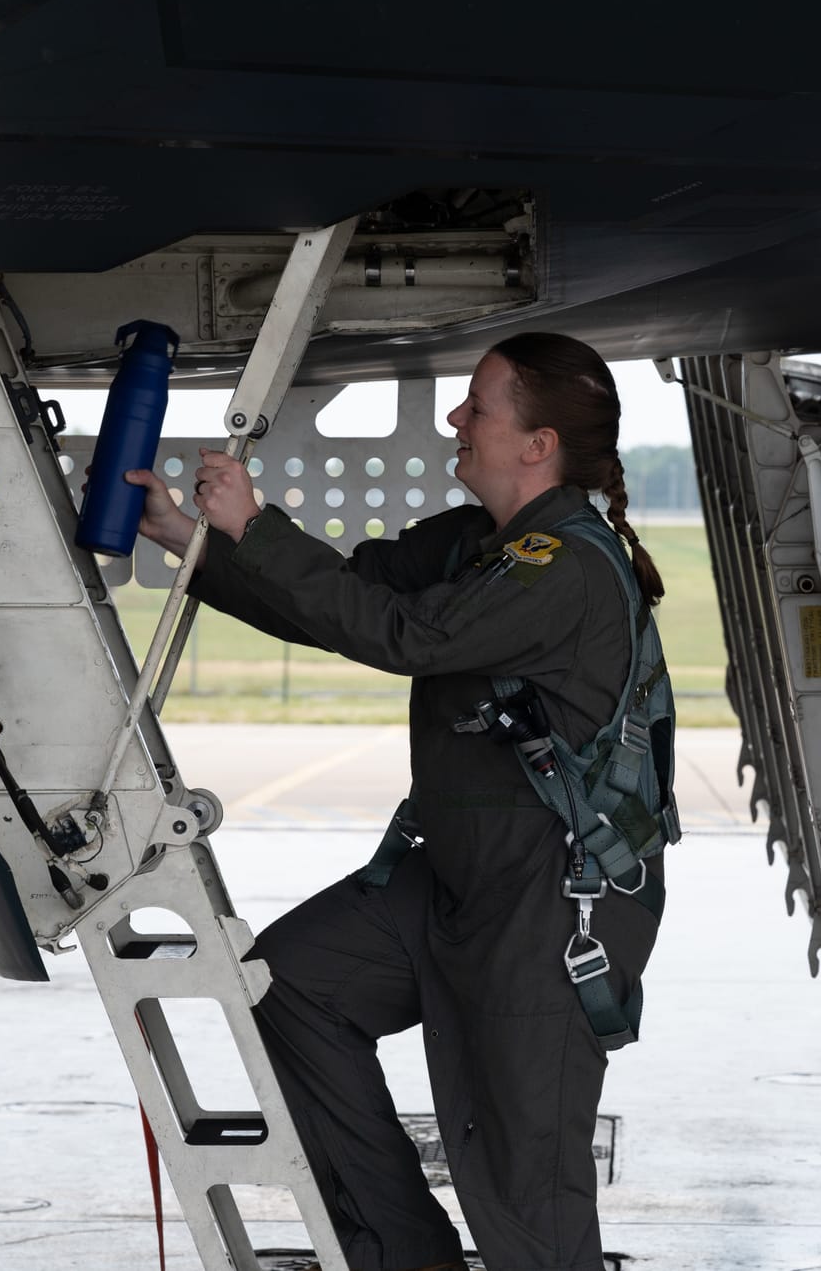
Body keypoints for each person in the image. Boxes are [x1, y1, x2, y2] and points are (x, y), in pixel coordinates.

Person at [124, 333, 670, 1271]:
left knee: (525, 1198)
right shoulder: (478, 545)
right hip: (457, 882)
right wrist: (202, 550)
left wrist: (255, 527)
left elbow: (404, 636)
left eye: (480, 407)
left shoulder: (562, 566)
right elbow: (343, 601)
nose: (457, 419)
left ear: (537, 444)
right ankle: (410, 1257)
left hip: (547, 909)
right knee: (294, 984)